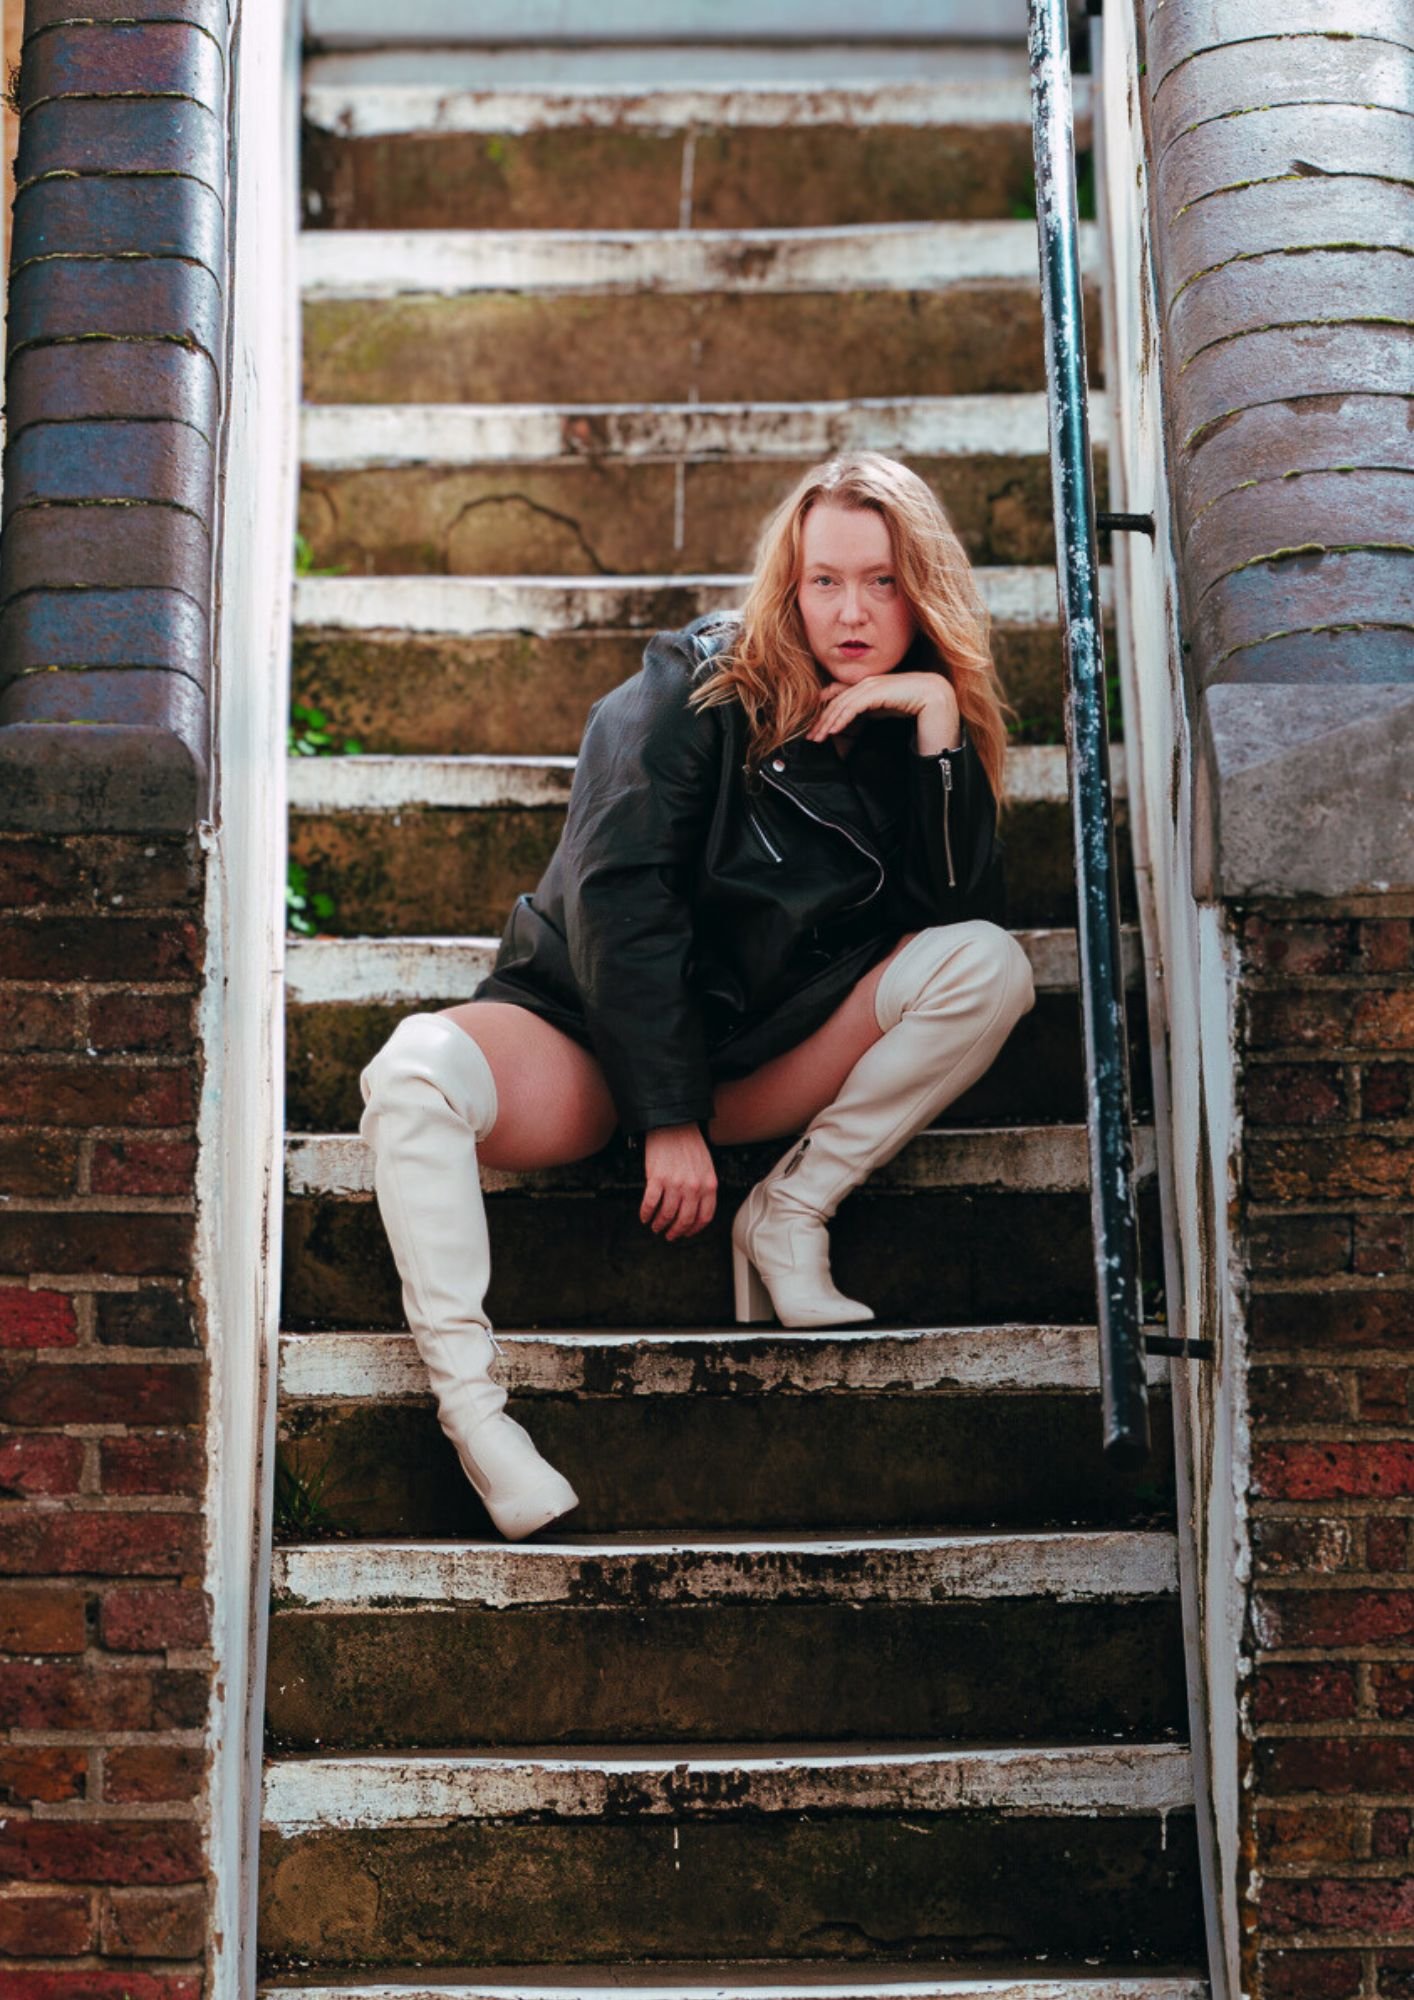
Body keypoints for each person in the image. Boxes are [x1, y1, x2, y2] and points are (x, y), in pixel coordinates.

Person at [358, 452, 1037, 1541]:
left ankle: (792, 1207)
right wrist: (664, 1114)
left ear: (926, 590)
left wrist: (939, 726)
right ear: (789, 580)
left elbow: (956, 910)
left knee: (989, 964)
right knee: (407, 1073)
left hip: (764, 1057)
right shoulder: (697, 681)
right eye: (825, 580)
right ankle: (477, 1417)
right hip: (585, 1040)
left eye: (883, 581)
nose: (851, 611)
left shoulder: (916, 726)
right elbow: (620, 894)